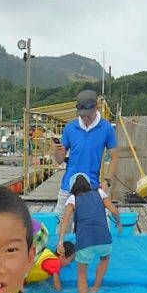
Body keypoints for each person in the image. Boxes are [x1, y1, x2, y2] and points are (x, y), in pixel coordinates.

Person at [53, 89, 118, 223]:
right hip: (68, 185)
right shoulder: (70, 128)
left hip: (93, 186)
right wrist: (56, 152)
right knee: (59, 224)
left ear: (96, 108)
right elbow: (60, 161)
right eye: (82, 115)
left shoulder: (106, 128)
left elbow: (114, 157)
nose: (85, 117)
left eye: (88, 114)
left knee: (96, 225)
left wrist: (107, 181)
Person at [57, 172, 122, 293]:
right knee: (104, 259)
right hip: (103, 239)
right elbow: (114, 210)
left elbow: (65, 220)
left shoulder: (73, 198)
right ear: (88, 184)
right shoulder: (100, 193)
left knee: (81, 274)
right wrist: (119, 223)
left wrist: (60, 241)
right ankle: (95, 288)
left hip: (84, 241)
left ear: (72, 186)